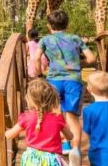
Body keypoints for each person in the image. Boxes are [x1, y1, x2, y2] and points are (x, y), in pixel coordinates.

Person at [31, 10, 96, 165]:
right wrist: (79, 65)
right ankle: (75, 150)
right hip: (73, 80)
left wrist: (40, 74)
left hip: (54, 80)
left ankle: (54, 147)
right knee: (73, 117)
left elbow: (36, 58)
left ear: (48, 25)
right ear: (67, 24)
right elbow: (92, 59)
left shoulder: (46, 40)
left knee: (53, 114)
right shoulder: (75, 38)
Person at [5, 79, 74, 166]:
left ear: (30, 100)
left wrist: (6, 131)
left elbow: (10, 135)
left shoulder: (26, 117)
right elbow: (70, 136)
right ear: (52, 98)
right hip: (51, 160)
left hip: (31, 160)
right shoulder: (57, 118)